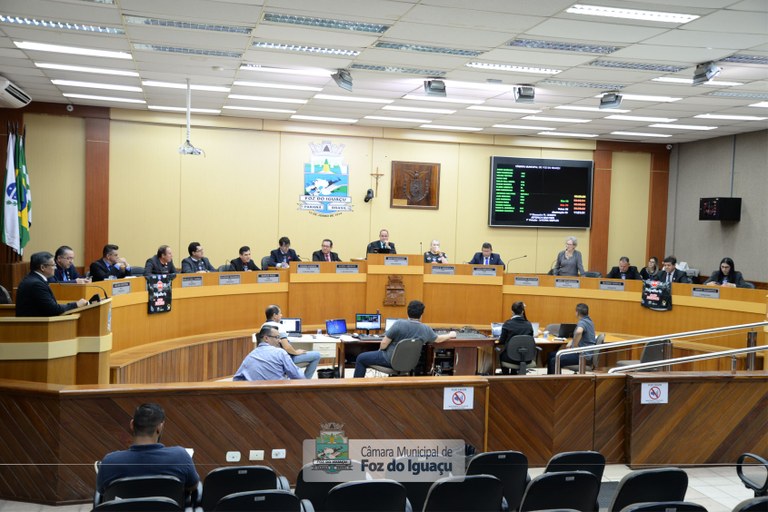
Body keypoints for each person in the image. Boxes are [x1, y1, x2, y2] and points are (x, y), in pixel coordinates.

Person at [96, 403, 199, 496]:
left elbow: (102, 491)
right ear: (159, 427)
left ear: (132, 424)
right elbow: (193, 486)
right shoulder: (180, 456)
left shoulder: (110, 462)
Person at [354, 300, 456, 378]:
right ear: (421, 314)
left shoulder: (399, 324)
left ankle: (356, 390)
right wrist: (450, 335)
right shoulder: (425, 329)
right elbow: (438, 339)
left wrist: (380, 351)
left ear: (407, 312)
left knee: (361, 358)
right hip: (410, 364)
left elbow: (384, 344)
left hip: (389, 360)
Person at [16, 252, 88, 316]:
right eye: (53, 265)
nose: (55, 268)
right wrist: (76, 305)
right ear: (42, 267)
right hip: (35, 325)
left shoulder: (35, 279)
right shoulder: (36, 284)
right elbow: (54, 310)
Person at [263, 304, 321, 379]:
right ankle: (306, 382)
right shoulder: (279, 326)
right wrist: (296, 352)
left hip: (270, 359)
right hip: (283, 359)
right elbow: (287, 347)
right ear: (274, 315)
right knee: (317, 355)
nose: (281, 315)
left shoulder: (263, 326)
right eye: (280, 313)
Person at [233, 325, 305, 381]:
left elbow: (236, 379)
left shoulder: (250, 356)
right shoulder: (280, 352)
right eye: (277, 337)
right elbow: (298, 376)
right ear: (266, 338)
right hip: (277, 393)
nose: (280, 341)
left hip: (255, 395)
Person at [547, 303, 596, 374]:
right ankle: (549, 378)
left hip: (582, 356)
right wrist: (572, 341)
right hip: (586, 354)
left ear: (577, 313)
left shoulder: (582, 322)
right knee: (551, 355)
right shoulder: (589, 321)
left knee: (554, 360)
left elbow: (579, 332)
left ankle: (556, 380)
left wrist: (575, 346)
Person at [498, 301, 535, 373]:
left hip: (510, 358)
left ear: (512, 311)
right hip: (526, 358)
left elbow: (501, 341)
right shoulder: (528, 324)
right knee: (514, 352)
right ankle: (514, 374)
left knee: (502, 355)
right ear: (522, 311)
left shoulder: (507, 324)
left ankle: (505, 376)